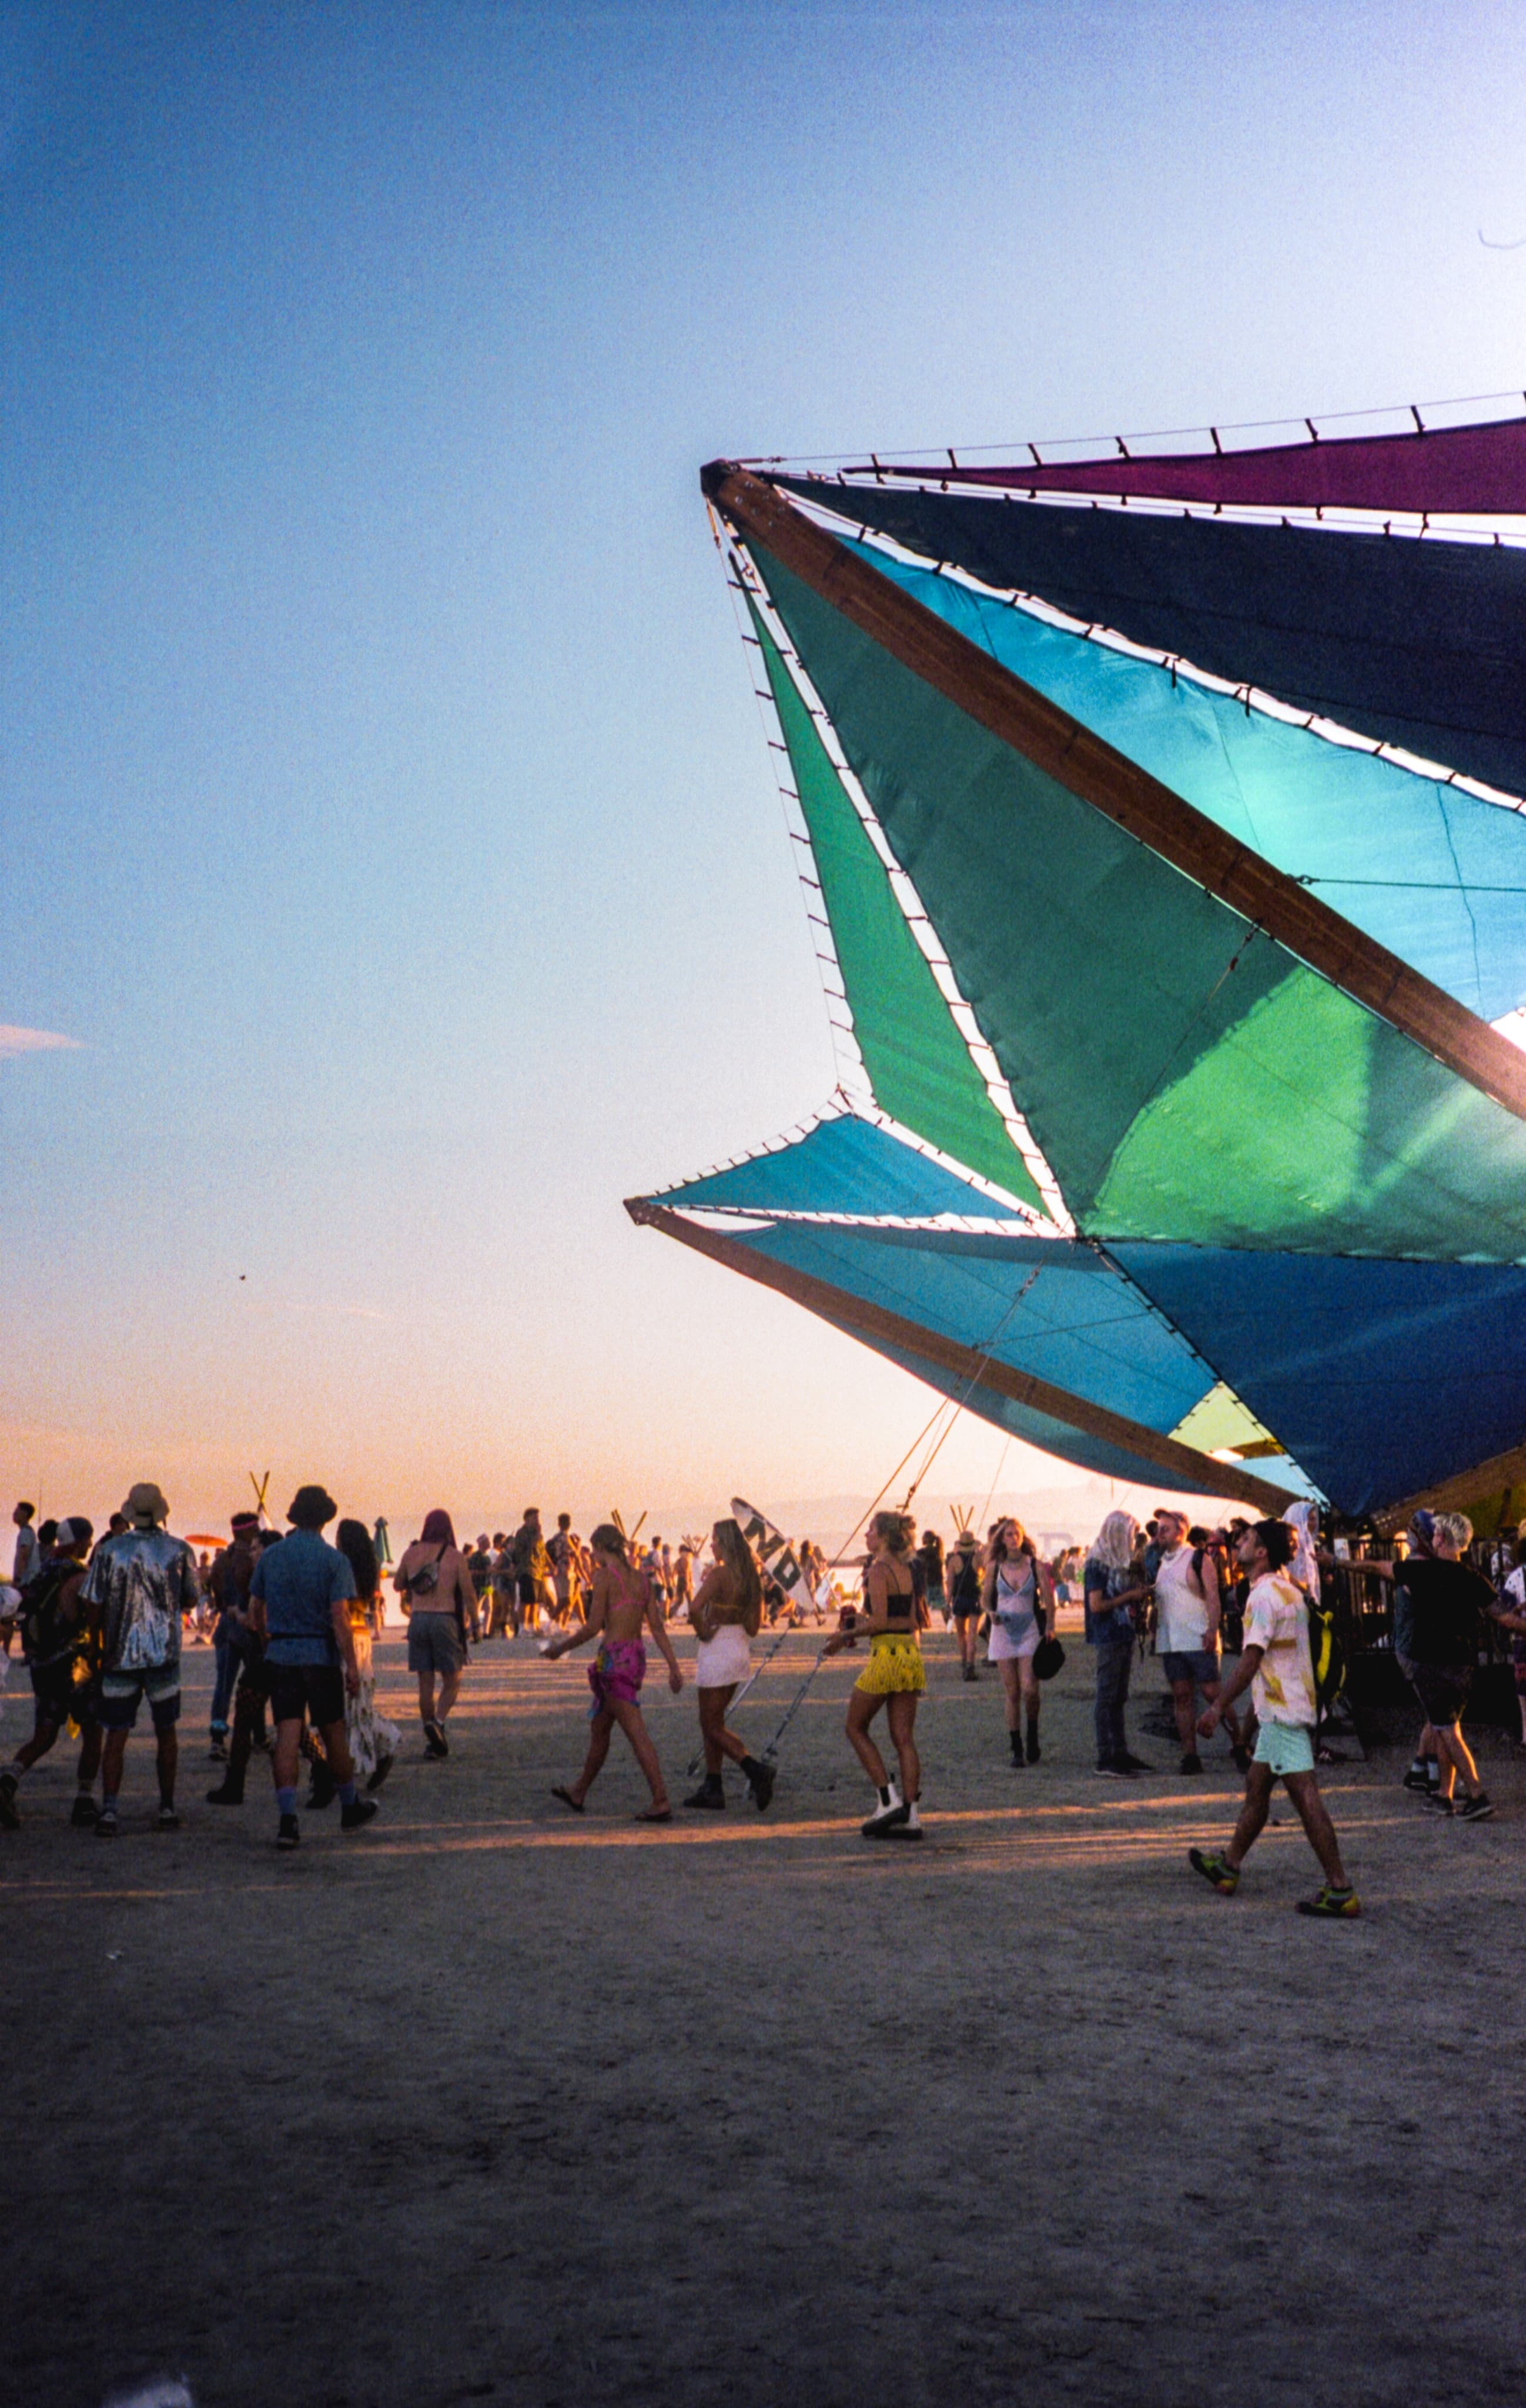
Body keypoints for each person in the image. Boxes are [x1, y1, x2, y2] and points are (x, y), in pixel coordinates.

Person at [1189, 1520, 1360, 1917]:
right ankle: (1229, 1866)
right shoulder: (1289, 1590)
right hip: (1284, 1708)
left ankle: (1340, 1888)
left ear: (1262, 1551)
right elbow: (1274, 1665)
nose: (1237, 1544)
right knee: (1257, 1787)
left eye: (1245, 1539)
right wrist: (1246, 1731)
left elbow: (1252, 1660)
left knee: (1306, 1798)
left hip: (1284, 1714)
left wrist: (1217, 1708)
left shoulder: (1263, 1596)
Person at [249, 1486, 378, 1851]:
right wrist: (351, 1666)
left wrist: (265, 1639)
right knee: (333, 1732)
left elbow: (256, 1607)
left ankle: (288, 1819)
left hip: (283, 1652)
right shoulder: (335, 1561)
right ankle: (350, 1806)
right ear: (325, 1518)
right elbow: (339, 1619)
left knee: (287, 1734)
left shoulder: (271, 1557)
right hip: (319, 1656)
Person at [78, 1483, 196, 1837]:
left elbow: (92, 1604)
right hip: (164, 1656)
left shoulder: (110, 1551)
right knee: (166, 1732)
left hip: (118, 1656)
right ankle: (167, 1807)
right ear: (161, 1512)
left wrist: (98, 1639)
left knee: (116, 1734)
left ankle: (111, 1810)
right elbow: (191, 1600)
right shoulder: (179, 1551)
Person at [544, 1523, 682, 1820]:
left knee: (636, 1733)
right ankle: (579, 1791)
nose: (591, 1556)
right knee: (600, 1728)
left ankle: (660, 1799)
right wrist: (673, 1665)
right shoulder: (642, 1580)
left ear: (601, 1548)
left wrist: (560, 1648)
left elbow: (594, 1627)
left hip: (612, 1662)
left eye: (593, 1550)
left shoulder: (605, 1577)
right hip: (633, 1658)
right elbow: (656, 1627)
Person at [1384, 1512, 1495, 1821]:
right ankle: (1444, 1795)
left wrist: (1338, 1563)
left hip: (1432, 1664)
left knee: (1447, 1731)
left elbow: (1376, 1568)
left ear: (1441, 1539)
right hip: (1463, 1665)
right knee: (1448, 1728)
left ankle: (1477, 1793)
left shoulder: (1424, 1574)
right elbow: (1501, 1614)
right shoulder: (1472, 1577)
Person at [822, 1510, 925, 1839]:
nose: (866, 1535)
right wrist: (862, 1622)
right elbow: (908, 1621)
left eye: (870, 1530)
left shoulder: (878, 1570)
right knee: (904, 1739)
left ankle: (887, 1798)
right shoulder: (907, 1569)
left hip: (886, 1657)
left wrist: (842, 1636)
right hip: (909, 1654)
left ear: (881, 1536)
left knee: (855, 1726)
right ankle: (912, 1816)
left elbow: (880, 1621)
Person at [0, 1518, 102, 1830]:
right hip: (75, 1666)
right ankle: (84, 1801)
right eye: (88, 1540)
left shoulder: (43, 1570)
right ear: (81, 1541)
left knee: (44, 1735)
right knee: (93, 1732)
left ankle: (8, 1780)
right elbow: (83, 1618)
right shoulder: (79, 1575)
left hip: (42, 1666)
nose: (88, 1546)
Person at [683, 1517, 774, 1811]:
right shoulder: (751, 1578)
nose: (711, 1545)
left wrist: (702, 1629)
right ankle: (713, 1785)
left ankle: (754, 1769)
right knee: (715, 1721)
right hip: (738, 1647)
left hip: (718, 1647)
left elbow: (695, 1608)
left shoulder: (721, 1575)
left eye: (715, 1540)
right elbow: (754, 1627)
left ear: (726, 1544)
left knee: (709, 1724)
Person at [1152, 1507, 1242, 1775]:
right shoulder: (1162, 1562)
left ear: (1181, 1531)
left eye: (1165, 1529)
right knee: (1182, 1696)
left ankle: (1239, 1743)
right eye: (1159, 1529)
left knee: (1214, 1694)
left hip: (1197, 1637)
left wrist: (1212, 1629)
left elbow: (1213, 1596)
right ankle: (1190, 1755)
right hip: (1171, 1642)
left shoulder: (1197, 1558)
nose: (1160, 1534)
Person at [394, 1510, 476, 1757]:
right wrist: (477, 1626)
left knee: (425, 1684)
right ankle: (437, 1723)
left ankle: (432, 1740)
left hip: (418, 1620)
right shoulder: (456, 1557)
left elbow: (398, 1584)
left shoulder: (411, 1553)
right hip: (445, 1620)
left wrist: (417, 1579)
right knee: (453, 1679)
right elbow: (469, 1594)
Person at [982, 1516, 1056, 1767]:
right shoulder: (995, 1566)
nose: (1013, 1538)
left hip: (1029, 1629)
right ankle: (1017, 1748)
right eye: (1008, 1535)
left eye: (1017, 1534)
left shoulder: (1034, 1565)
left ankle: (1032, 1734)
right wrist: (989, 1613)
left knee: (1030, 1689)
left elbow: (1048, 1597)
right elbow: (985, 1598)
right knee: (1012, 1692)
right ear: (1002, 1540)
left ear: (1023, 1537)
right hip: (1002, 1630)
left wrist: (1050, 1625)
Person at [1084, 1510, 1152, 1777]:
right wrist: (1129, 1597)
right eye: (1130, 1534)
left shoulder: (1117, 1560)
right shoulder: (1097, 1563)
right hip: (1108, 1633)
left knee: (1119, 1697)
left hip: (1123, 1632)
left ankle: (1120, 1751)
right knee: (1107, 1696)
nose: (1133, 1539)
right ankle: (1106, 1755)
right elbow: (1096, 1604)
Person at [333, 1519, 399, 1792]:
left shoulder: (341, 1568)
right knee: (359, 1703)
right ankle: (383, 1745)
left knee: (348, 1705)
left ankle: (379, 1749)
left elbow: (339, 1612)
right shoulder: (367, 1568)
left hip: (347, 1637)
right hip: (363, 1636)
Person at [207, 1512, 260, 1760]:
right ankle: (259, 1735)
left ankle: (217, 1738)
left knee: (224, 1686)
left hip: (226, 1629)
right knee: (255, 1683)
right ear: (249, 1532)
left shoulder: (220, 1562)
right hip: (248, 1630)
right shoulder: (252, 1561)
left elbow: (218, 1601)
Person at [947, 1527, 982, 1679]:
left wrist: (947, 1603)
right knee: (972, 1634)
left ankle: (964, 1661)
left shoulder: (953, 1561)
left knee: (962, 1634)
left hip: (959, 1599)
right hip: (975, 1599)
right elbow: (985, 1577)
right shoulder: (978, 1559)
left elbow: (949, 1585)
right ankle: (970, 1665)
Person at [512, 1509, 553, 1633]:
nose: (537, 1521)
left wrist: (551, 1565)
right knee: (526, 1601)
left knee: (535, 1601)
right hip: (527, 1570)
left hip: (538, 1571)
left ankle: (532, 1626)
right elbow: (528, 1548)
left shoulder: (537, 1534)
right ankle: (522, 1628)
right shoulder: (522, 1533)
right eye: (534, 1518)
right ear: (527, 1519)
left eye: (538, 1518)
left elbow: (542, 1552)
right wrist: (537, 1536)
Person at [915, 1529, 947, 1628]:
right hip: (938, 1582)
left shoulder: (921, 1552)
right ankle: (949, 1625)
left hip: (926, 1582)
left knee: (923, 1605)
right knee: (943, 1606)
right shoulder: (939, 1551)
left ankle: (925, 1624)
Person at [466, 1534, 493, 1643]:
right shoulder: (475, 1557)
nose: (489, 1543)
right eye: (487, 1541)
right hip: (479, 1586)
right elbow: (471, 1572)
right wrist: (485, 1572)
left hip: (488, 1586)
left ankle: (485, 1631)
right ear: (482, 1543)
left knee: (489, 1608)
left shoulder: (486, 1557)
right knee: (476, 1609)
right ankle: (472, 1630)